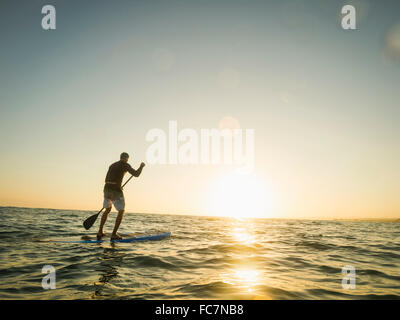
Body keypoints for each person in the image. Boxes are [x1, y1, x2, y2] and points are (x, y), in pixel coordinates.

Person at [97, 152, 145, 240]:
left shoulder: (112, 165)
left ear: (120, 157)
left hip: (106, 188)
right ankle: (114, 234)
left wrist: (116, 185)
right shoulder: (125, 165)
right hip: (115, 190)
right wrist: (141, 166)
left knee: (107, 209)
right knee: (121, 211)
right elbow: (136, 174)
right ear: (126, 158)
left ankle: (100, 232)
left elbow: (107, 179)